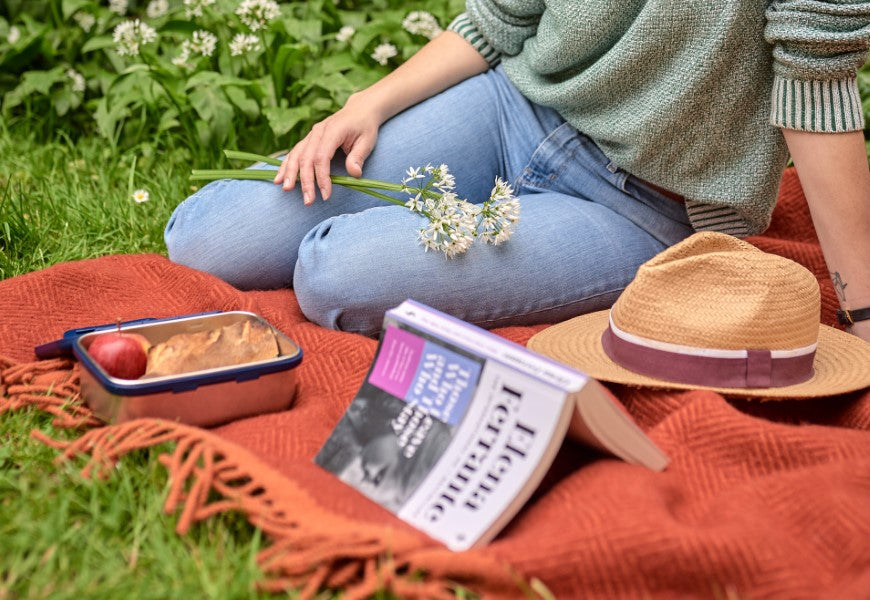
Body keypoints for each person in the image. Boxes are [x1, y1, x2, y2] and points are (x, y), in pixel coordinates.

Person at [164, 1, 870, 343]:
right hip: (509, 107)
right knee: (209, 239)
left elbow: (817, 88)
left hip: (640, 207)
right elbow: (501, 19)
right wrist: (369, 104)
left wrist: (864, 314)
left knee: (335, 277)